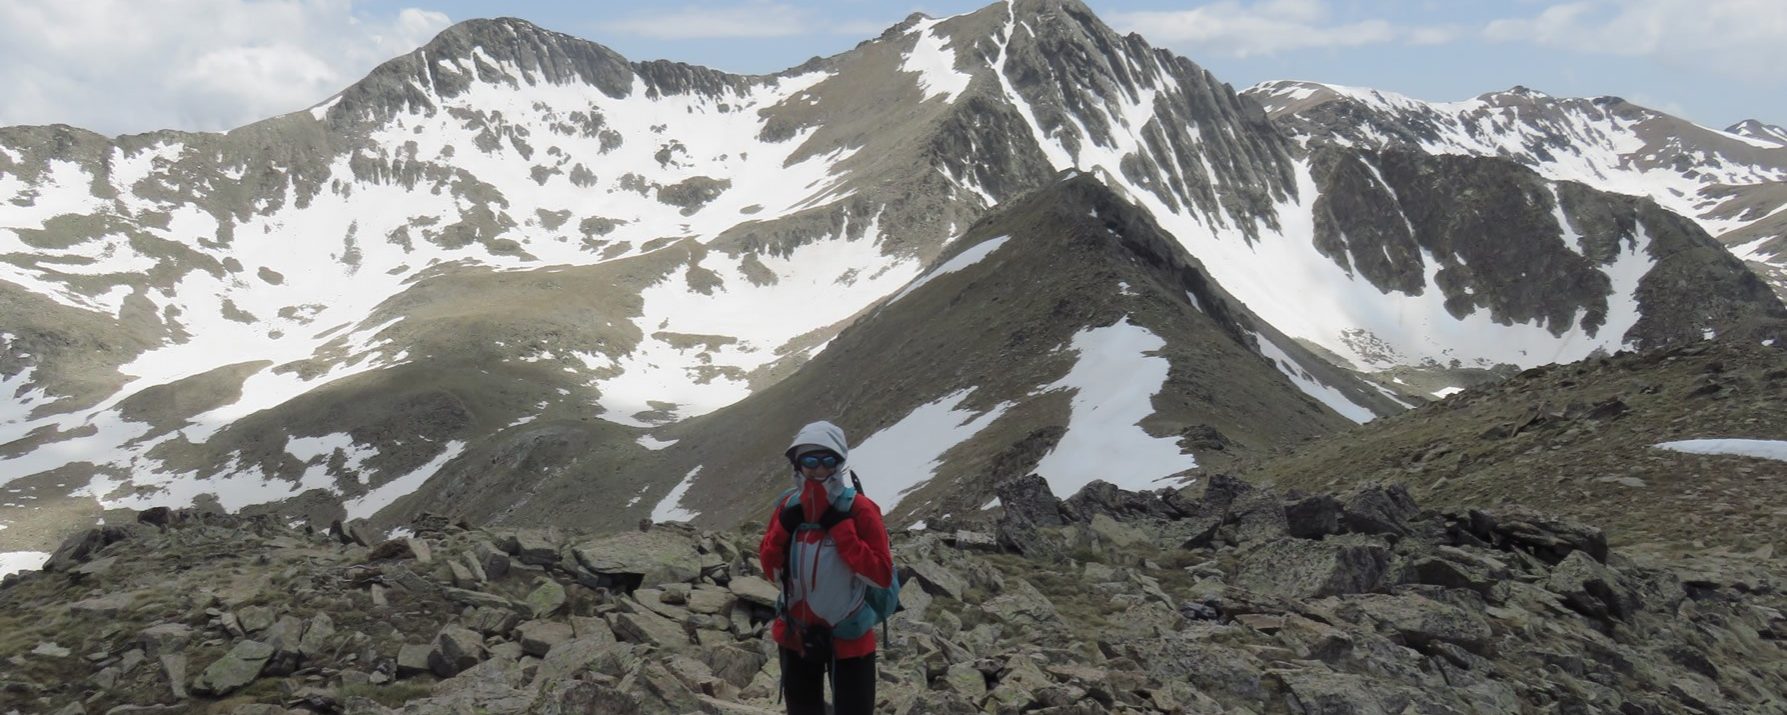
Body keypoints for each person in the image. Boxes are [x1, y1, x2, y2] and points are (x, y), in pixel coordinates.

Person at [758, 421, 894, 715]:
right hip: (796, 635)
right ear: (797, 464)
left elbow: (881, 575)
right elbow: (771, 571)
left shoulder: (860, 509)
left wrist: (843, 532)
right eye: (810, 460)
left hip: (849, 638)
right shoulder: (787, 507)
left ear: (839, 462)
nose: (819, 469)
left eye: (827, 460)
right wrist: (783, 528)